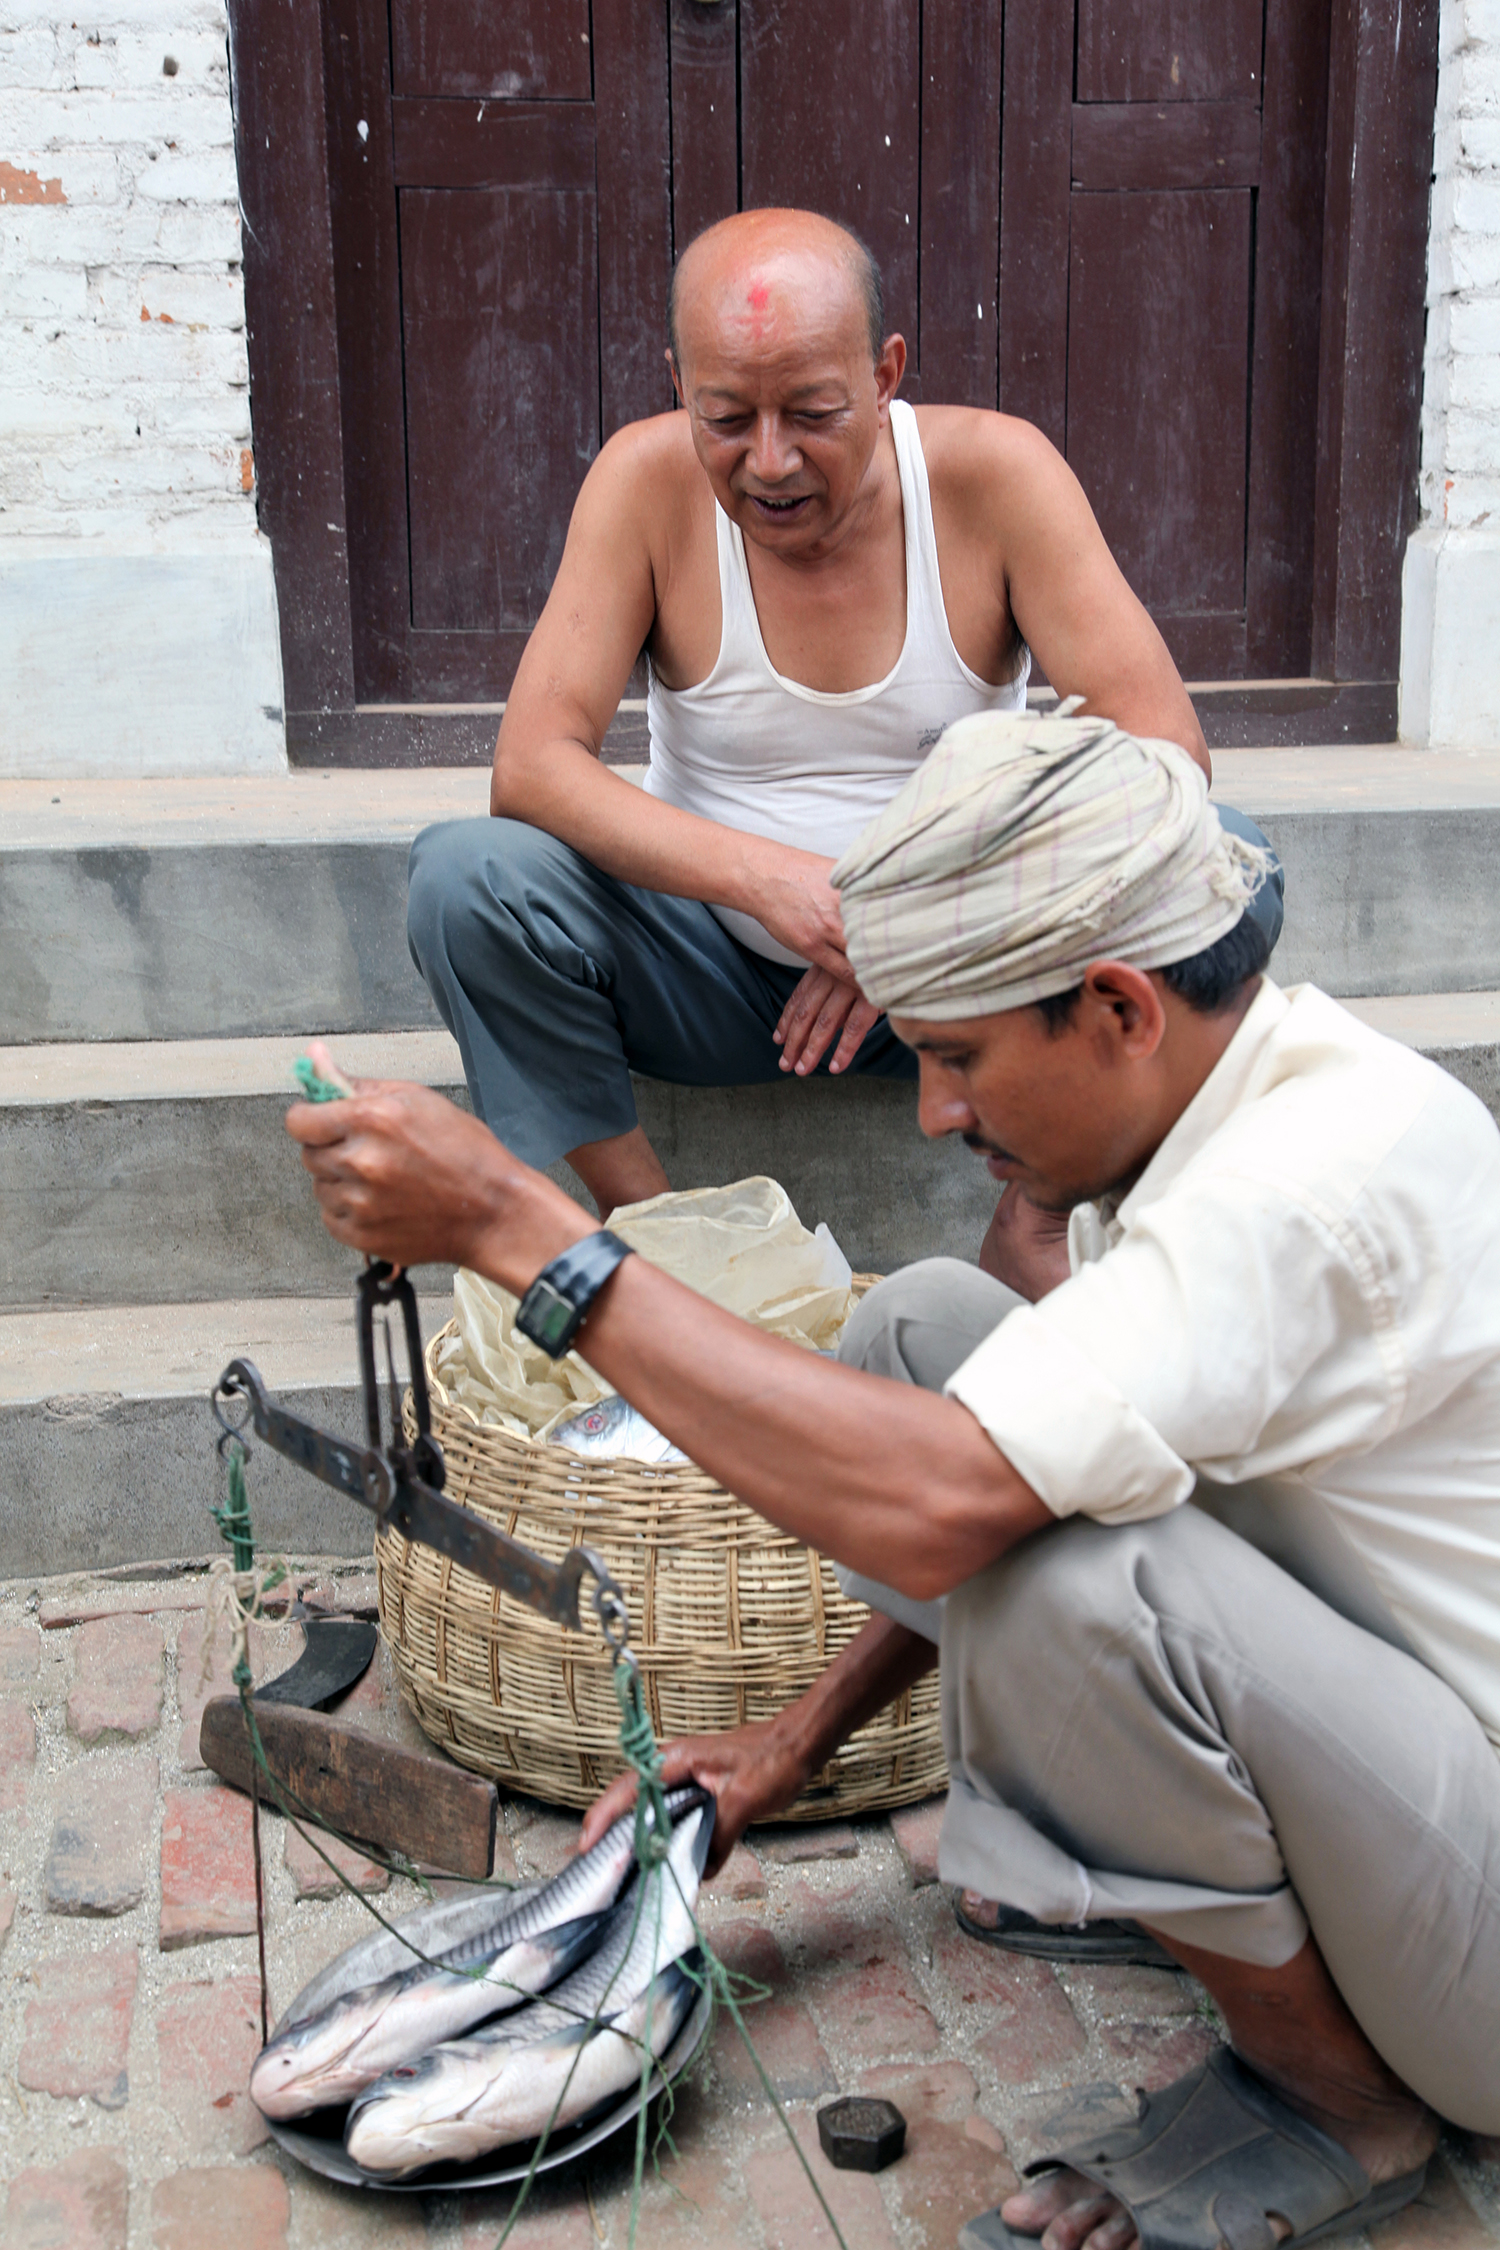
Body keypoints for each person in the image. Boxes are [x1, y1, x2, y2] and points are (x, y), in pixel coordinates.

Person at [290, 708, 1498, 2250]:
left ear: (1120, 1006)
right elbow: (991, 1472)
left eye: (956, 1057)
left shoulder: (1305, 1184)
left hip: (1483, 1913)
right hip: (1393, 1765)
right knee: (927, 1323)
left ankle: (1341, 2093)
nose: (938, 1112)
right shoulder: (1207, 1113)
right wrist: (788, 1746)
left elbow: (964, 1510)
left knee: (1070, 1578)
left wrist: (531, 1233)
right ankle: (1195, 1879)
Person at [405, 205, 1281, 1295]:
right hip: (713, 975)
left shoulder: (995, 476)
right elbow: (533, 766)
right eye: (726, 418)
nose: (768, 463)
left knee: (1227, 866)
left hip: (972, 983)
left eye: (814, 413)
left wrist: (903, 918)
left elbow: (1163, 748)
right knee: (466, 880)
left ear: (885, 373)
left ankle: (1042, 1216)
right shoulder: (643, 483)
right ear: (679, 385)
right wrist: (778, 886)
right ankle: (655, 1229)